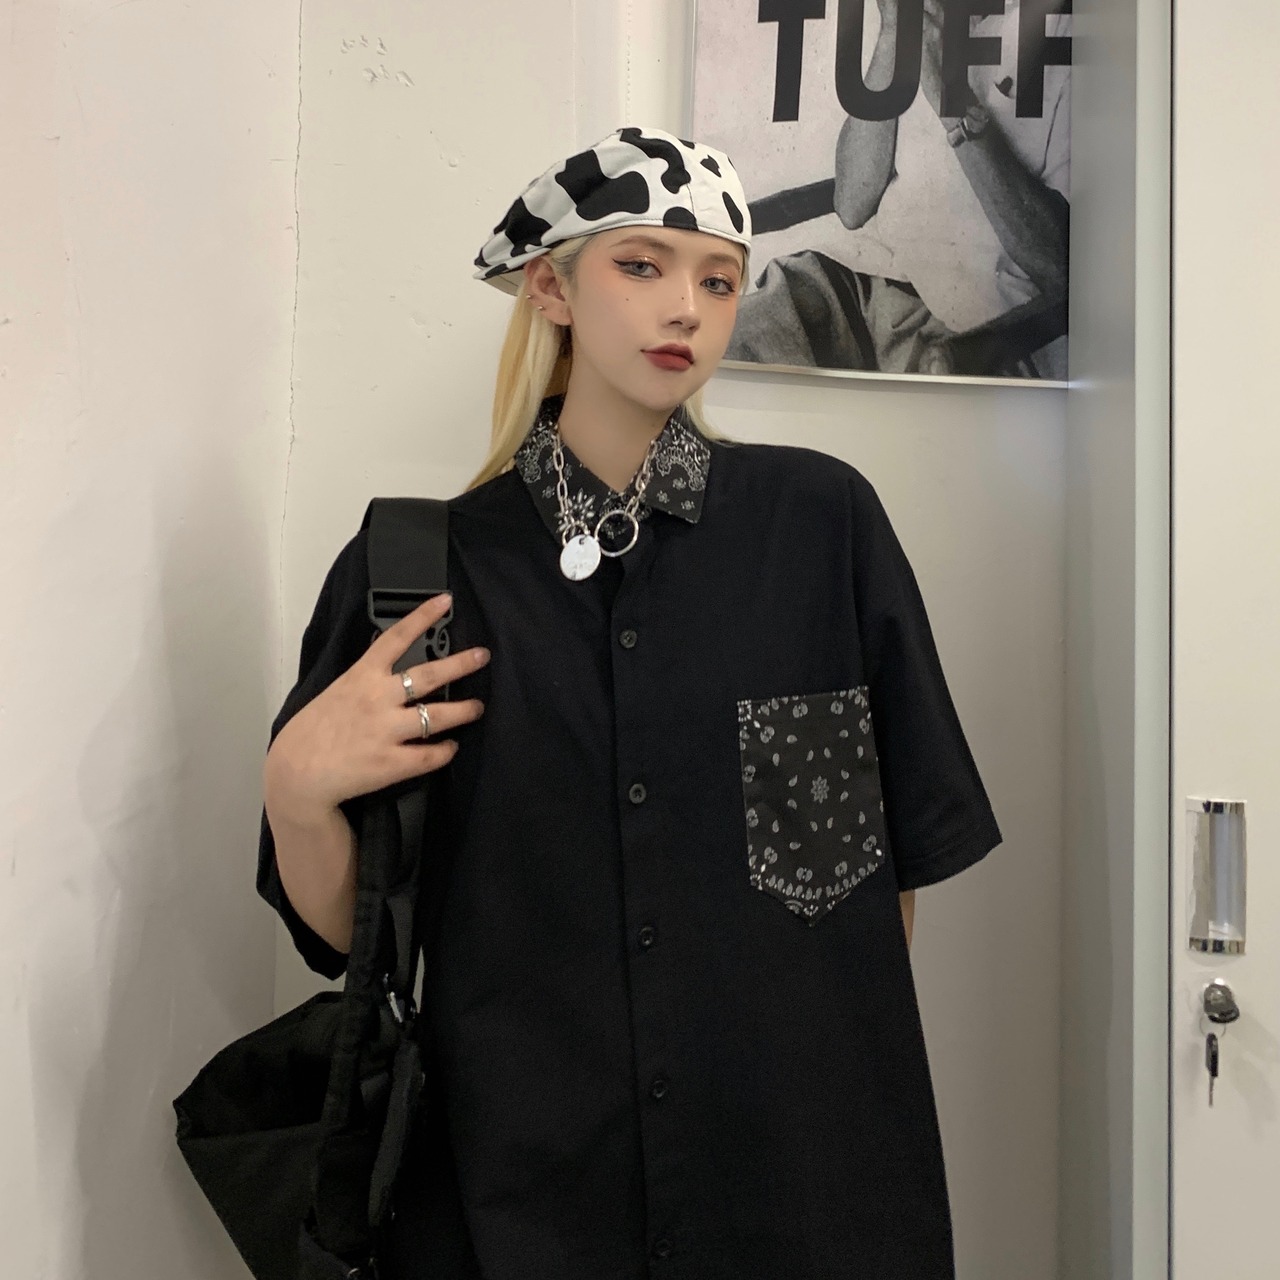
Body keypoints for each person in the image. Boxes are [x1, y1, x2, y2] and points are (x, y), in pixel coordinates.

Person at [257, 124, 1002, 1279]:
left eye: (719, 280)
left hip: (800, 1194)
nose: (685, 308)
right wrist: (296, 787)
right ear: (550, 287)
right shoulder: (418, 571)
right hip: (518, 1204)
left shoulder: (818, 529)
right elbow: (355, 940)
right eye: (642, 265)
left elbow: (882, 891)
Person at [727, 0, 1070, 378]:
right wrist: (894, 33)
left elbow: (1062, 268)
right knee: (726, 344)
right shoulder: (931, 15)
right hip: (866, 285)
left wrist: (949, 95)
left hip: (982, 333)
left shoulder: (1067, 35)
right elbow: (852, 204)